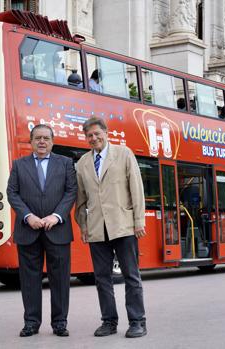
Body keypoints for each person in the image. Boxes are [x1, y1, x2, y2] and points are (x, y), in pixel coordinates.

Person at [75, 117, 147, 338]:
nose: (93, 138)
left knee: (131, 276)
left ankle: (137, 322)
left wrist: (139, 221)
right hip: (97, 229)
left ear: (106, 133)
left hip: (123, 226)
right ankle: (109, 321)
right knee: (102, 279)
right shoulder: (82, 164)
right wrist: (83, 226)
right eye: (89, 135)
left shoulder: (124, 154)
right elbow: (81, 199)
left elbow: (136, 188)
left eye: (97, 133)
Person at [7, 124, 77, 338]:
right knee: (29, 281)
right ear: (31, 141)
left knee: (61, 280)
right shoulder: (19, 165)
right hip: (29, 231)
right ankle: (31, 323)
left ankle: (60, 323)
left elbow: (71, 191)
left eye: (46, 138)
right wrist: (28, 217)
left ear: (52, 141)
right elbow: (12, 193)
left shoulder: (65, 163)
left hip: (58, 230)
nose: (42, 142)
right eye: (37, 138)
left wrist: (55, 217)